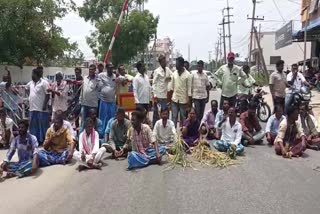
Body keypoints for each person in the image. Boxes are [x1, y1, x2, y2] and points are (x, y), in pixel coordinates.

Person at [26, 68, 50, 145]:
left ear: (36, 75)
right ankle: (34, 141)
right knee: (33, 126)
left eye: (33, 74)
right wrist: (30, 97)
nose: (31, 76)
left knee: (43, 126)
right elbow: (26, 88)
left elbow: (47, 94)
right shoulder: (30, 83)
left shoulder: (44, 83)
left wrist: (44, 105)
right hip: (32, 108)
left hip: (41, 109)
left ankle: (44, 141)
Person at [169, 57, 192, 127]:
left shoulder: (188, 75)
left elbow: (189, 90)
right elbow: (171, 88)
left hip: (183, 101)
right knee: (174, 118)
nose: (176, 65)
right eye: (176, 64)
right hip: (174, 100)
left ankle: (182, 135)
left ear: (182, 64)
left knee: (183, 118)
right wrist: (169, 101)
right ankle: (174, 135)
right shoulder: (174, 74)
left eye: (177, 64)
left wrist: (189, 104)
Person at [152, 55, 172, 126]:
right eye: (163, 62)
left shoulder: (168, 70)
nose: (164, 63)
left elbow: (172, 77)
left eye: (165, 61)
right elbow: (154, 84)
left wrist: (168, 79)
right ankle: (155, 127)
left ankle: (165, 126)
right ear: (160, 63)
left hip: (166, 95)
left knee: (166, 112)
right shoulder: (157, 71)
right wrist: (155, 95)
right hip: (159, 95)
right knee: (157, 113)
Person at [98, 63, 117, 133]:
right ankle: (102, 134)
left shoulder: (115, 76)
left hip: (112, 101)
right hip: (103, 101)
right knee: (103, 118)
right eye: (109, 68)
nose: (111, 69)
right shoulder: (101, 75)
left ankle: (110, 133)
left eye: (112, 68)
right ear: (106, 68)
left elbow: (123, 78)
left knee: (111, 119)